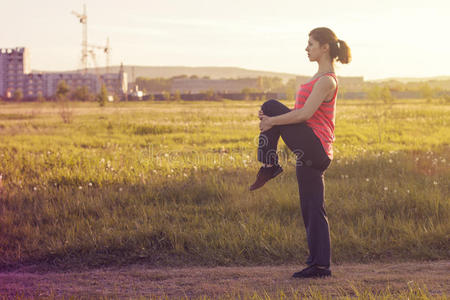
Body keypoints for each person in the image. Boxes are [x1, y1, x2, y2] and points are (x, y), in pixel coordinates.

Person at [249, 27, 351, 278]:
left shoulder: (327, 80)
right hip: (308, 149)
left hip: (316, 147)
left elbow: (304, 115)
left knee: (271, 106)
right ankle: (319, 265)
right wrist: (273, 122)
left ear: (325, 47)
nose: (307, 48)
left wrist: (272, 121)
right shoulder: (316, 78)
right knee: (311, 207)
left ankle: (269, 164)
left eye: (311, 44)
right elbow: (297, 117)